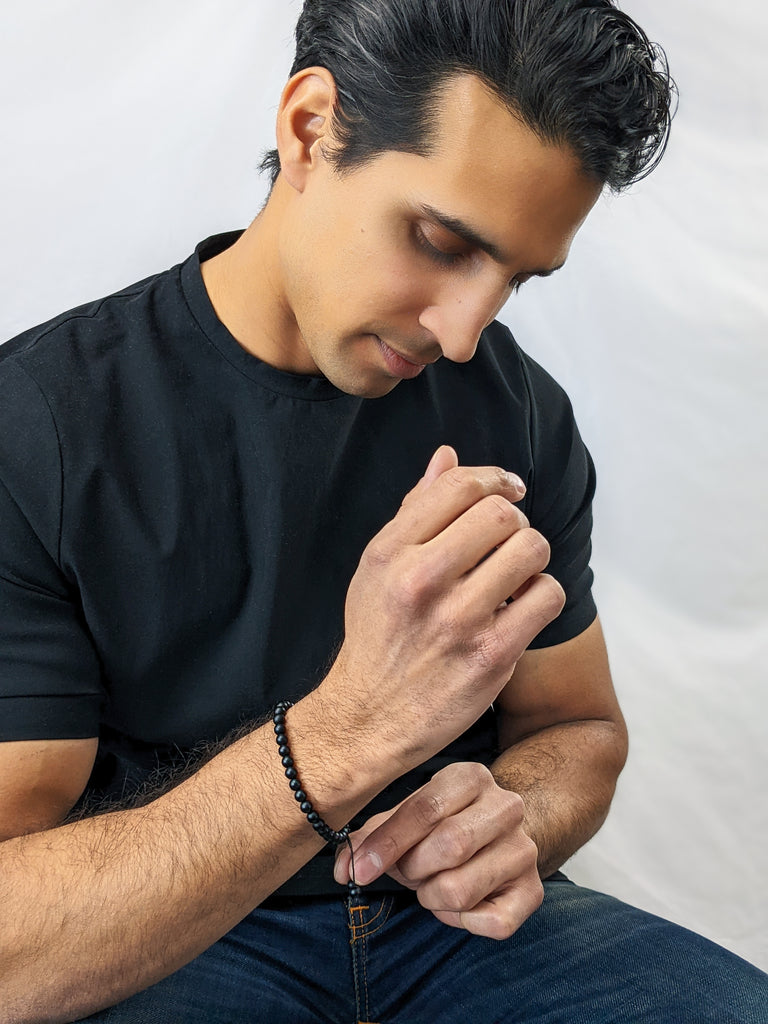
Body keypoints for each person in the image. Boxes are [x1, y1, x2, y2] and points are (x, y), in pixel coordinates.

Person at [0, 0, 765, 1021]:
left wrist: (516, 815)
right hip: (172, 941)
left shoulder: (516, 408)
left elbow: (578, 724)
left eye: (514, 279)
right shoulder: (41, 424)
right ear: (312, 128)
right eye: (443, 240)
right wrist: (347, 733)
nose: (463, 332)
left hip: (452, 940)